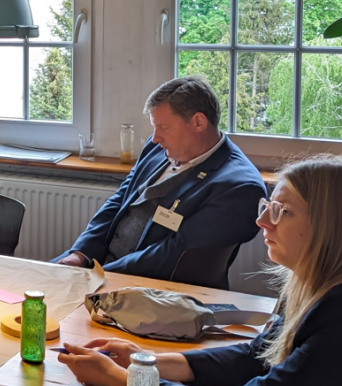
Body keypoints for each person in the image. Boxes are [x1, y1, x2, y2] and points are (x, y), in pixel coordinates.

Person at [58, 154, 342, 386]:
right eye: (268, 206)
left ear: (328, 225)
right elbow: (254, 357)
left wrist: (123, 379)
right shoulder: (312, 292)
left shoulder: (335, 316)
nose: (263, 221)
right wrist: (146, 361)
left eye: (285, 210)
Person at [52, 76, 265, 287]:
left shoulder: (240, 188)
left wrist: (98, 276)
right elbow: (120, 200)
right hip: (100, 267)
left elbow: (174, 253)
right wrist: (81, 254)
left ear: (198, 122)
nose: (155, 138)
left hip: (156, 290)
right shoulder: (156, 148)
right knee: (33, 287)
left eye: (164, 127)